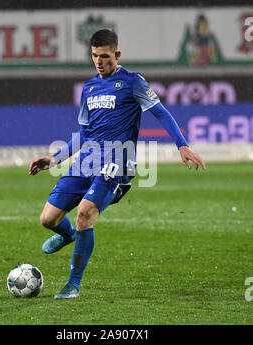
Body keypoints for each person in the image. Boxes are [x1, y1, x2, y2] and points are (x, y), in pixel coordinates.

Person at [29, 29, 205, 300]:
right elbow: (84, 134)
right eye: (94, 56)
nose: (99, 61)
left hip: (117, 162)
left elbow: (161, 112)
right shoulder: (89, 88)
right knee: (48, 219)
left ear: (117, 55)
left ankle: (72, 285)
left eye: (104, 56)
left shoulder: (133, 82)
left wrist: (182, 144)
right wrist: (55, 159)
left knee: (85, 213)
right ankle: (68, 236)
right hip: (86, 161)